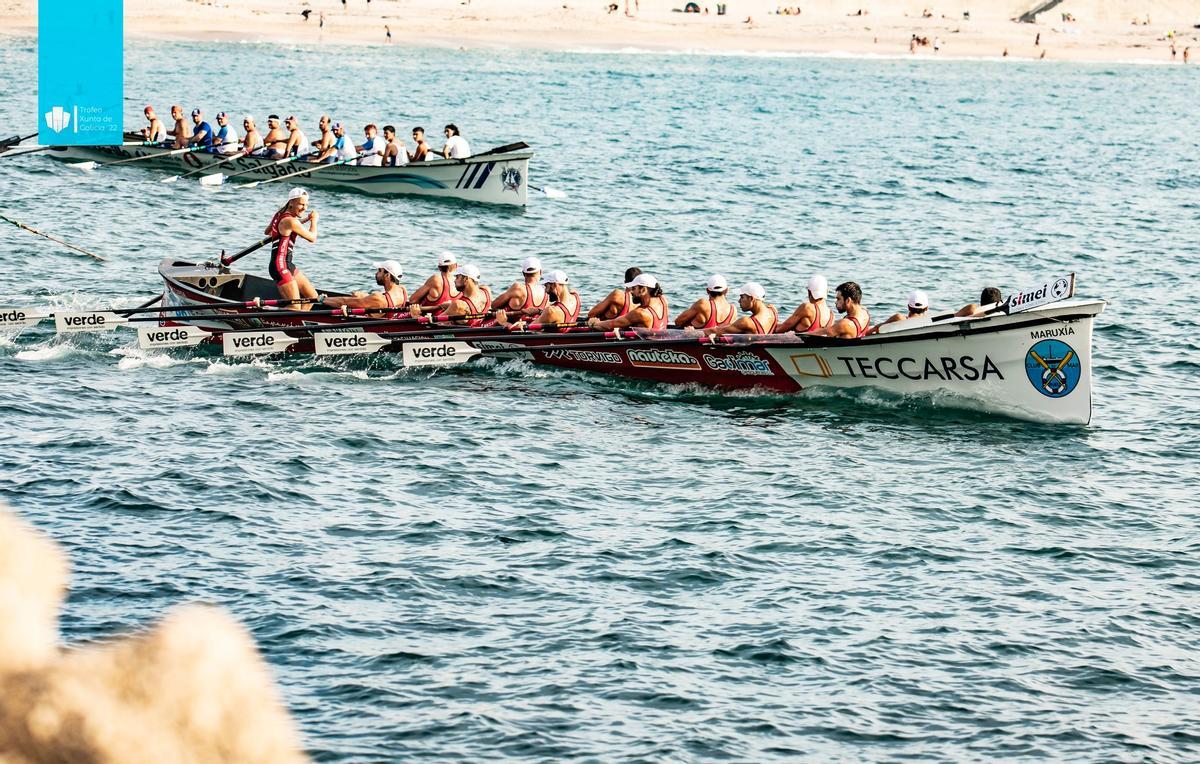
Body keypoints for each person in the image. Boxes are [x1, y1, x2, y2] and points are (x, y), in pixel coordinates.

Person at [263, 187, 319, 308]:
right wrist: (314, 221)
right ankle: (274, 317)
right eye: (301, 204)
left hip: (287, 264)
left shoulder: (279, 214)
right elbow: (312, 238)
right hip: (279, 266)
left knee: (312, 298)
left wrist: (305, 220)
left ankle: (300, 324)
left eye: (306, 205)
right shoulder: (291, 221)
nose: (305, 208)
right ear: (292, 202)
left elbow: (268, 232)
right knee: (295, 306)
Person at [496, 270, 580, 329]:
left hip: (550, 342)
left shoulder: (551, 311)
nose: (546, 291)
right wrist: (539, 311)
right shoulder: (576, 297)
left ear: (554, 285)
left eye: (546, 286)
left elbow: (524, 331)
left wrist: (504, 322)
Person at [411, 264, 491, 325]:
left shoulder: (458, 305)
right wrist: (449, 306)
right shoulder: (486, 291)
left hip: (460, 336)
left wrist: (416, 315)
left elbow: (432, 324)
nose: (454, 280)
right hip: (475, 328)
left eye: (457, 277)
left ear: (466, 279)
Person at [587, 273, 668, 331]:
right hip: (657, 344)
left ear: (643, 289)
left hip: (643, 348)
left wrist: (594, 324)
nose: (631, 292)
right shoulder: (663, 301)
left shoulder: (641, 313)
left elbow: (611, 324)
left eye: (633, 288)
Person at [322, 260, 407, 315]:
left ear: (387, 275)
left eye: (379, 271)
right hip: (387, 319)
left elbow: (344, 302)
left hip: (376, 328)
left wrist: (323, 300)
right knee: (359, 297)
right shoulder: (402, 290)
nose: (376, 273)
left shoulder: (379, 298)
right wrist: (365, 297)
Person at [705, 283, 776, 335]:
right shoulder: (773, 311)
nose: (739, 301)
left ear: (751, 298)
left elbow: (715, 331)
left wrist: (696, 332)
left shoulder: (746, 322)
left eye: (742, 297)